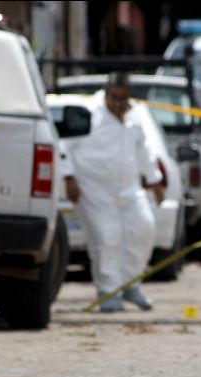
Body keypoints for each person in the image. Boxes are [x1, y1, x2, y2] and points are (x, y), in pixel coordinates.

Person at [60, 72, 165, 313]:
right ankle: (108, 291)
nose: (119, 104)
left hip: (129, 188)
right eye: (114, 98)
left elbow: (144, 150)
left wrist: (155, 181)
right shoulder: (87, 113)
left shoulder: (134, 115)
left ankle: (130, 284)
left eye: (123, 99)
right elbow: (64, 144)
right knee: (107, 239)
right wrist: (69, 178)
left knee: (143, 229)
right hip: (93, 189)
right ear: (106, 94)